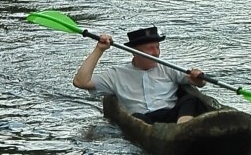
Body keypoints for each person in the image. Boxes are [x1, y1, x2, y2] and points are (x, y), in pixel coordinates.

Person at [72, 26, 209, 124]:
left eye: (157, 47)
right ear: (135, 52)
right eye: (150, 49)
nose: (156, 53)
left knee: (191, 100)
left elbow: (198, 83)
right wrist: (99, 49)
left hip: (169, 115)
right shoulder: (116, 74)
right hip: (142, 119)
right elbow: (80, 82)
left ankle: (183, 129)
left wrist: (198, 77)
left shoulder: (168, 68)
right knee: (137, 119)